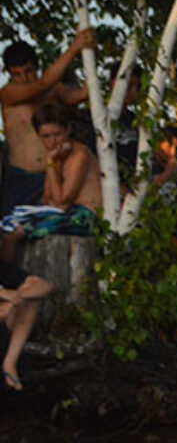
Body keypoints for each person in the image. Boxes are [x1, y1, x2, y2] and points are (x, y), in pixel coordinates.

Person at [1, 30, 94, 216]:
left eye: (28, 71)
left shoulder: (55, 90)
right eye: (17, 74)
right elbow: (42, 84)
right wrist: (74, 48)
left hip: (56, 175)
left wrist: (91, 58)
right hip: (22, 178)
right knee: (13, 231)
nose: (24, 78)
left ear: (36, 66)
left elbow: (79, 96)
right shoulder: (9, 93)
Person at [0, 103, 101, 261]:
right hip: (64, 212)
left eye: (57, 134)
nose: (53, 142)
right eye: (46, 136)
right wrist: (52, 163)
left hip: (85, 216)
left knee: (17, 232)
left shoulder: (79, 155)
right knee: (7, 228)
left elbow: (62, 199)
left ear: (67, 130)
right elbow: (47, 198)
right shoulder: (55, 156)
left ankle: (11, 275)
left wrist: (51, 162)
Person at [0, 261, 52, 391]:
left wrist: (18, 296)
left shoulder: (4, 269)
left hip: (7, 331)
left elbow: (46, 286)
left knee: (31, 299)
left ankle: (9, 363)